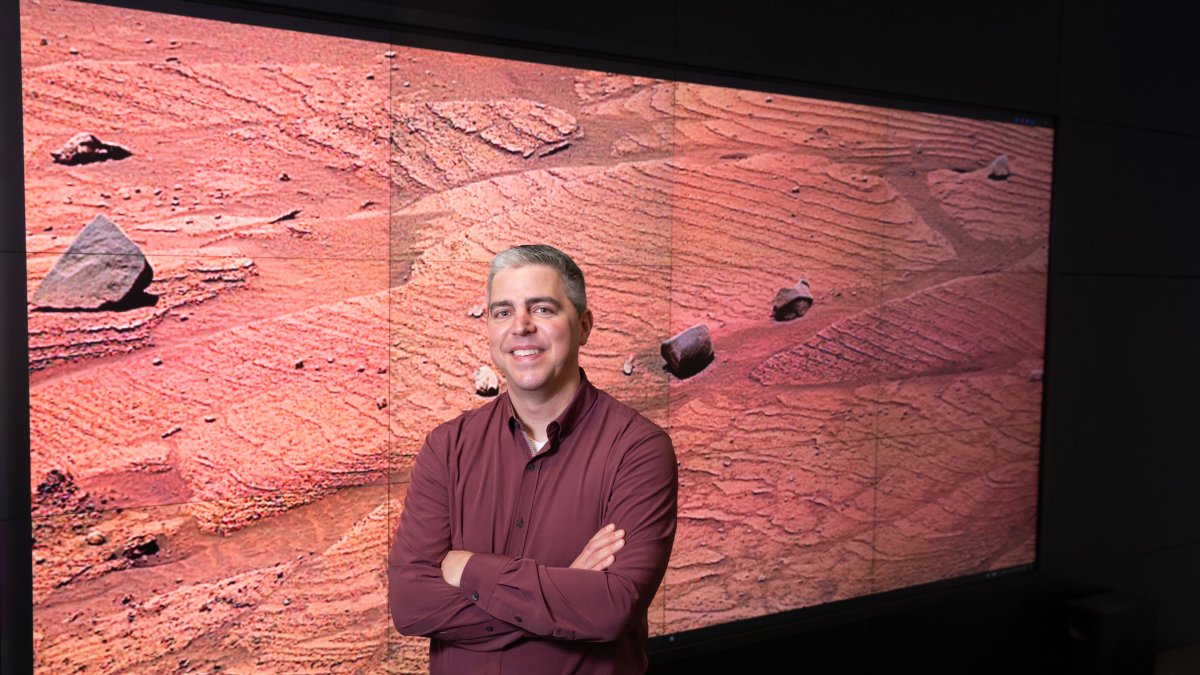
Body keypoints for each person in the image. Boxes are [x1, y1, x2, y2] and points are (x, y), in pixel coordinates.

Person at [388, 244, 678, 674]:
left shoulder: (638, 450)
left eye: (542, 309)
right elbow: (411, 604)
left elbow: (611, 607)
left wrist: (469, 570)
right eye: (503, 312)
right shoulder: (446, 448)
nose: (520, 327)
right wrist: (563, 591)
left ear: (583, 326)